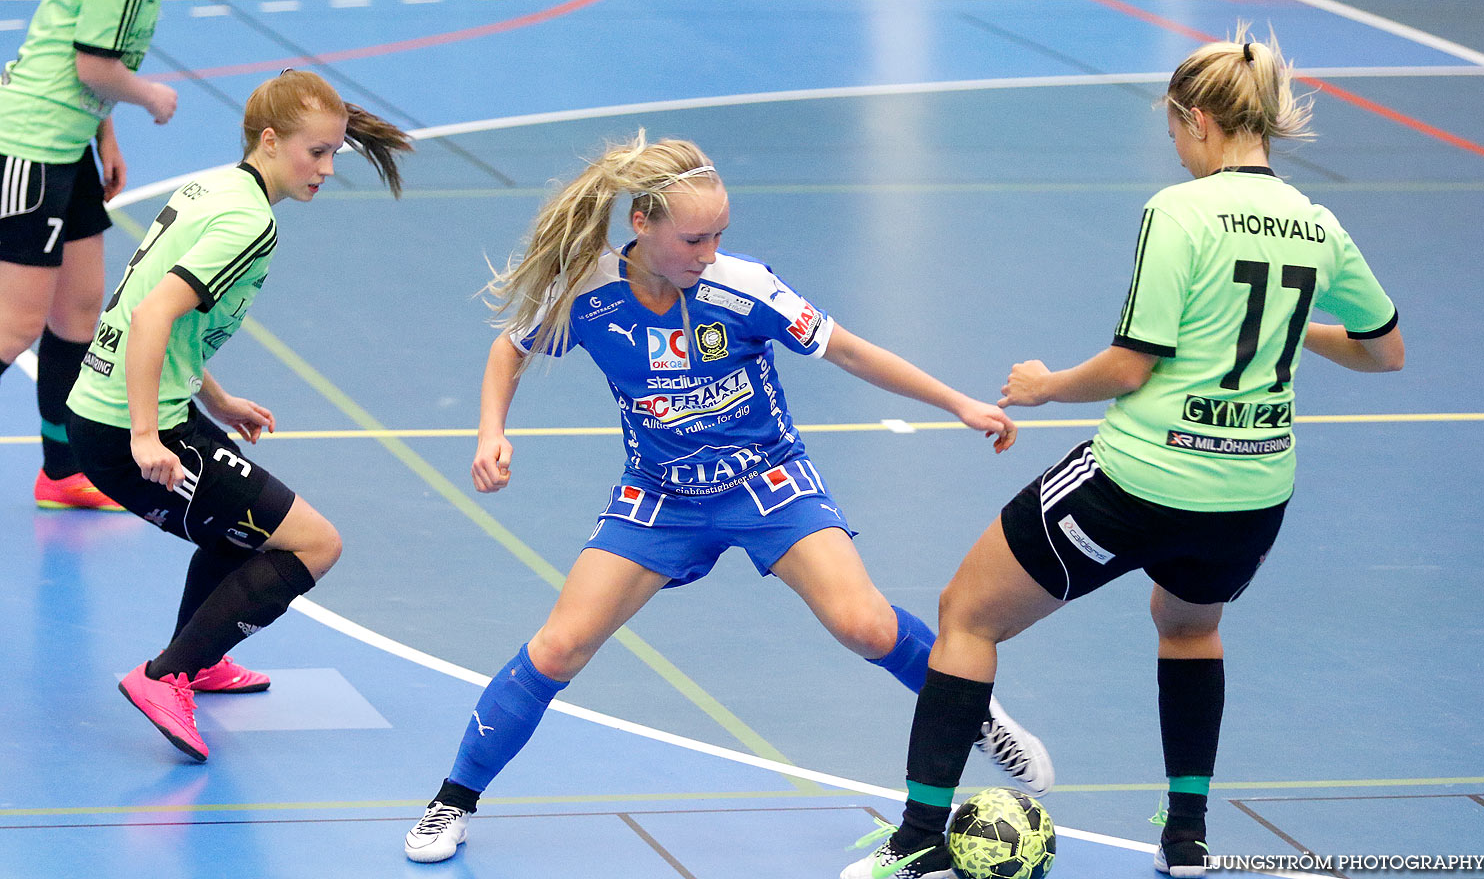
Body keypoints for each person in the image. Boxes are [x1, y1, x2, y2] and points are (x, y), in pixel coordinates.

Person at [842, 29, 1405, 879]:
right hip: (1251, 493)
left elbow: (1130, 365)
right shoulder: (1316, 224)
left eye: (1174, 130)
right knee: (1188, 628)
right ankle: (1187, 838)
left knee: (966, 615)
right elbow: (1384, 349)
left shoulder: (1178, 212)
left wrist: (1043, 384)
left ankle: (918, 842)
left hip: (1139, 478)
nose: (1174, 149)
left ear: (1200, 121)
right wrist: (1295, 330)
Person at [402, 132, 1055, 863]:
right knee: (560, 645)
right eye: (693, 238)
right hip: (659, 495)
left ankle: (970, 708)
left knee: (866, 625)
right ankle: (451, 801)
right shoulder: (586, 292)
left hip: (767, 481)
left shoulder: (742, 286)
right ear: (641, 224)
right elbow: (510, 349)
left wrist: (958, 402)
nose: (708, 251)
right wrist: (491, 431)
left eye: (719, 235)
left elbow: (846, 347)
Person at [64, 69, 411, 762]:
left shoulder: (212, 186)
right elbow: (155, 314)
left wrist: (214, 397)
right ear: (272, 140)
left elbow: (158, 312)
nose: (327, 167)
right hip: (131, 427)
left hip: (110, 407)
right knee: (315, 544)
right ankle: (165, 677)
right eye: (316, 152)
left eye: (335, 152)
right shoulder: (251, 220)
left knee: (246, 528)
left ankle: (199, 658)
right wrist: (143, 435)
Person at [0, 0, 245, 510]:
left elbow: (85, 51)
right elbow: (93, 66)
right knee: (16, 324)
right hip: (33, 144)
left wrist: (105, 135)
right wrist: (150, 96)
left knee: (78, 317)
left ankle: (61, 472)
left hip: (70, 142)